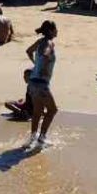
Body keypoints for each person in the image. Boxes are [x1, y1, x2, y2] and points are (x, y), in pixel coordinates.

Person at [24, 20, 58, 149]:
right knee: (53, 110)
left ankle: (32, 138)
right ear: (50, 31)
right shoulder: (49, 43)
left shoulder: (39, 42)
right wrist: (45, 57)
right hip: (41, 84)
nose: (57, 31)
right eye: (55, 29)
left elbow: (28, 51)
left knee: (37, 111)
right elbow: (45, 52)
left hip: (32, 82)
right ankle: (41, 138)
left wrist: (36, 64)